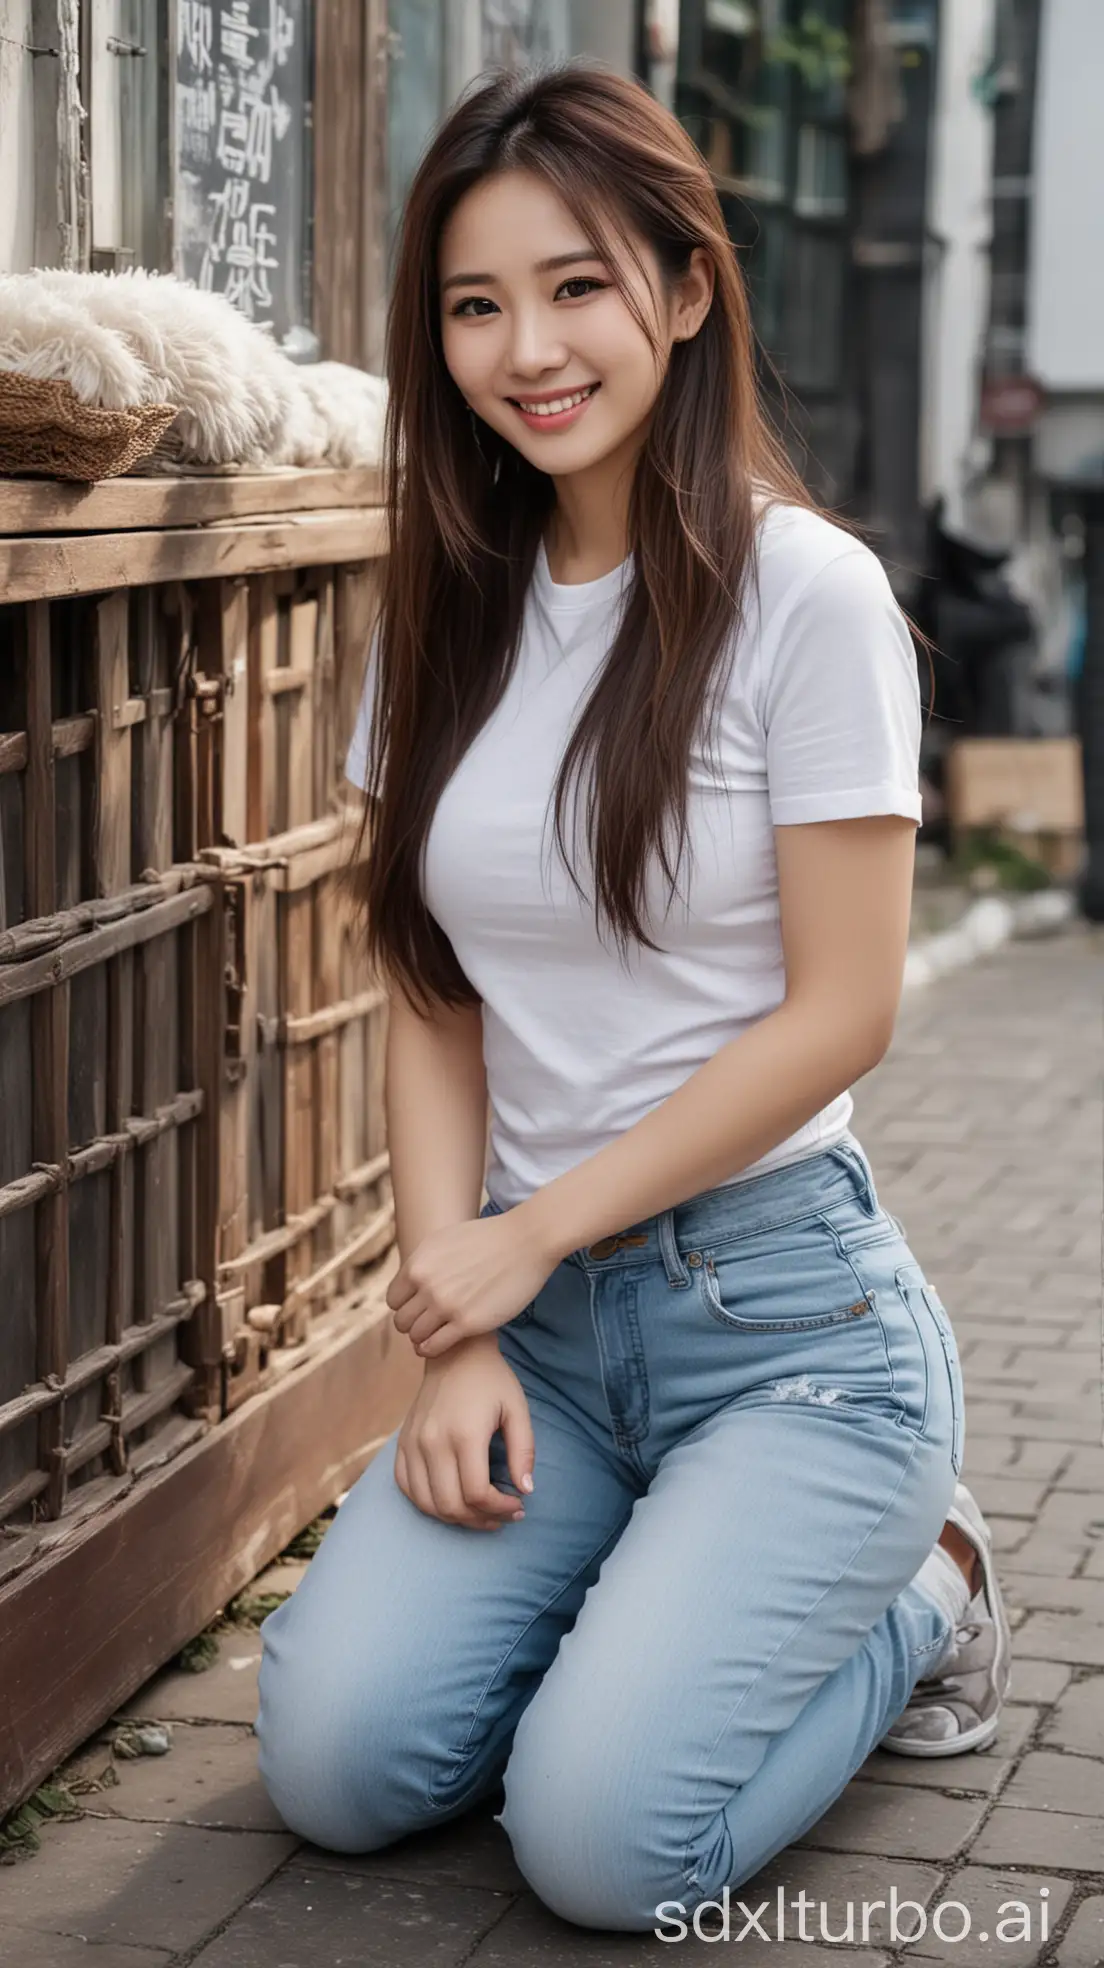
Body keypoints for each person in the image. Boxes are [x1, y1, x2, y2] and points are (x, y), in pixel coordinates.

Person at [255, 61, 1011, 1934]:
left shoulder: (807, 598)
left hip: (788, 1329)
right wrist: (460, 1331)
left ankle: (925, 1591)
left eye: (576, 284)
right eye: (474, 302)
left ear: (685, 289)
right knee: (340, 1772)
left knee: (601, 1853)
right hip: (550, 1348)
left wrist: (533, 1237)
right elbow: (429, 991)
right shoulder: (449, 608)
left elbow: (842, 1015)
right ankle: (637, 1625)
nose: (528, 348)